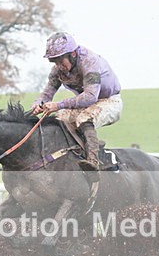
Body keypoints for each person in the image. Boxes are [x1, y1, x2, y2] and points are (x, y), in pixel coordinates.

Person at [30, 32, 122, 172]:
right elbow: (47, 93)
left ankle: (93, 161)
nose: (59, 66)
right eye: (55, 62)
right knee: (59, 118)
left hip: (109, 101)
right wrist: (38, 104)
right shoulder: (57, 70)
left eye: (61, 61)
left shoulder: (89, 61)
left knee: (84, 118)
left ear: (72, 54)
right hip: (88, 105)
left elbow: (90, 97)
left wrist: (58, 105)